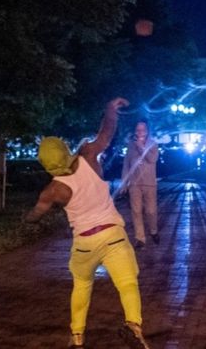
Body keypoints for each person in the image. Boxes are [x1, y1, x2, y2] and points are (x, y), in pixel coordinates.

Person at [24, 98, 150, 349]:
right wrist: (109, 109)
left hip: (85, 242)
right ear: (64, 149)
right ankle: (134, 326)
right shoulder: (88, 156)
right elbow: (107, 133)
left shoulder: (52, 190)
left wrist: (28, 220)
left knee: (82, 285)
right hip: (113, 234)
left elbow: (36, 215)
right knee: (127, 283)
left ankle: (77, 336)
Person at [121, 119, 159, 250]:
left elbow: (152, 159)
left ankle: (153, 231)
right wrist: (124, 182)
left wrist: (141, 147)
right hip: (135, 184)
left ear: (147, 131)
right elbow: (126, 164)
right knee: (136, 211)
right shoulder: (130, 145)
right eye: (137, 130)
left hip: (149, 183)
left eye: (142, 129)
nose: (140, 132)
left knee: (151, 211)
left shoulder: (153, 144)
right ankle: (140, 238)